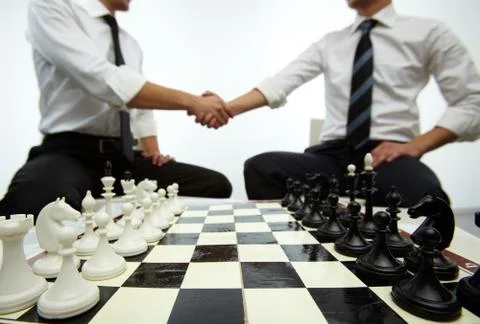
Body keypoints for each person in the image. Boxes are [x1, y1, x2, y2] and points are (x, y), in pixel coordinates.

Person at [204, 0, 480, 207]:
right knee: (261, 168)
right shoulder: (331, 43)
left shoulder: (429, 33)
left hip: (388, 155)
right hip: (332, 157)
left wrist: (415, 145)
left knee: (428, 200)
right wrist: (226, 108)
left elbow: (471, 101)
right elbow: (280, 83)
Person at [0, 0, 234, 220]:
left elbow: (139, 108)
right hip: (69, 153)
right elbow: (104, 79)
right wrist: (193, 101)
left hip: (124, 157)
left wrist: (153, 154)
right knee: (36, 203)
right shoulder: (52, 7)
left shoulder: (131, 44)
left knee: (214, 185)